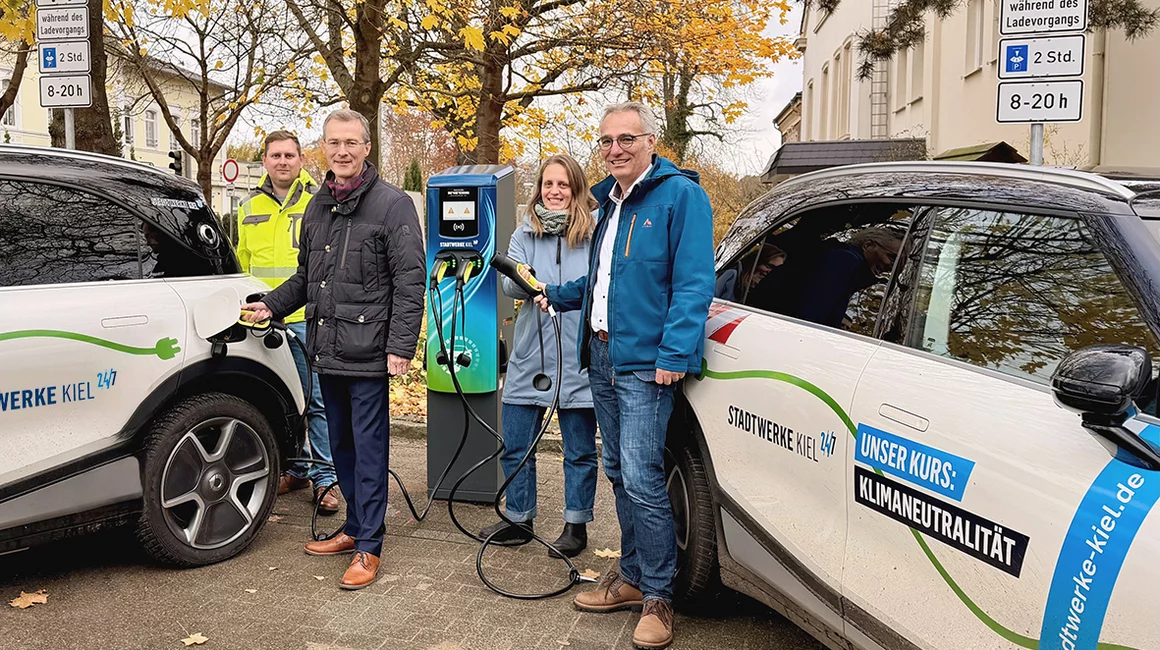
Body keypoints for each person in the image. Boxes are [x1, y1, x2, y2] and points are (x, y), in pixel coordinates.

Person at [530, 102, 714, 650]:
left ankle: (659, 596)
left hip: (646, 363)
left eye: (626, 139)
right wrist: (560, 296)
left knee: (641, 475)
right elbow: (604, 281)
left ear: (650, 141)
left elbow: (693, 283)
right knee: (617, 471)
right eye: (607, 140)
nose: (615, 149)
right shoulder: (610, 202)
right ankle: (631, 578)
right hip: (603, 355)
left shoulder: (682, 196)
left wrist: (674, 354)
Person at [241, 110, 425, 590]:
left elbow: (410, 282)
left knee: (368, 449)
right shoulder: (319, 205)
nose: (342, 152)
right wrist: (271, 305)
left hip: (369, 350)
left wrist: (401, 345)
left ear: (367, 148)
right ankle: (353, 528)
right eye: (333, 143)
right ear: (322, 149)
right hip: (327, 347)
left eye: (351, 143)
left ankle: (370, 546)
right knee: (340, 446)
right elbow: (307, 277)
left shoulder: (393, 205)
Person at [477, 154, 599, 559]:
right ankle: (518, 518)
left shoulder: (596, 232)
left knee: (579, 450)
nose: (555, 191)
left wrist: (560, 292)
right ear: (539, 188)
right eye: (548, 184)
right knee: (516, 443)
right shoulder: (524, 233)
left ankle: (576, 524)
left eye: (563, 184)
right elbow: (510, 287)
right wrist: (529, 283)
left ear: (576, 189)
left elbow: (600, 283)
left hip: (580, 356)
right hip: (532, 353)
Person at [235, 130, 339, 516]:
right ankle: (296, 468)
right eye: (275, 155)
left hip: (304, 318)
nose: (282, 161)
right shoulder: (247, 207)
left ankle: (326, 479)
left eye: (289, 155)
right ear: (265, 161)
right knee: (279, 401)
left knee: (314, 400)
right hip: (262, 321)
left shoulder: (319, 202)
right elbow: (241, 264)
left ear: (301, 160)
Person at [751, 227, 902, 329]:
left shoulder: (843, 260)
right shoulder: (844, 261)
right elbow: (811, 319)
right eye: (892, 258)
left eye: (899, 264)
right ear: (868, 245)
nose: (892, 267)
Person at [714, 243, 785, 302]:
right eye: (769, 266)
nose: (771, 272)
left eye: (776, 270)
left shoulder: (764, 293)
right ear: (755, 262)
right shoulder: (731, 275)